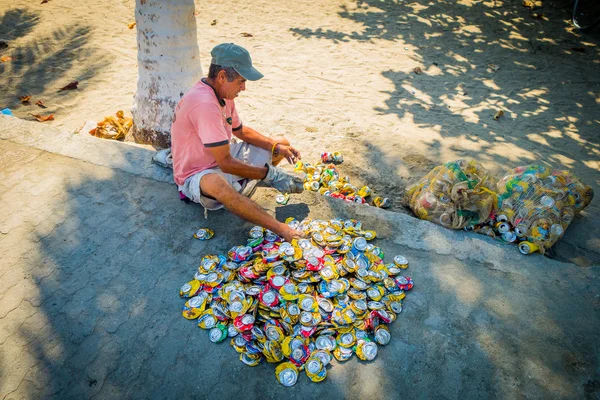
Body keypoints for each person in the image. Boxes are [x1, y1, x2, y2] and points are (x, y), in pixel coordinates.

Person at [170, 43, 305, 242]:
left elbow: (239, 130)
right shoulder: (205, 104)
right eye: (241, 81)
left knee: (280, 143)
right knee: (218, 185)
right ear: (222, 76)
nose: (244, 88)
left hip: (221, 155)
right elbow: (225, 163)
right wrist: (270, 175)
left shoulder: (222, 92)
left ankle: (246, 182)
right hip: (196, 171)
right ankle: (279, 228)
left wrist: (277, 147)